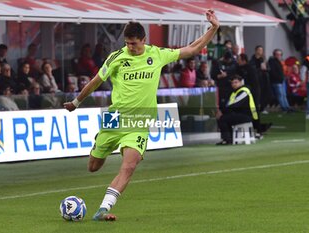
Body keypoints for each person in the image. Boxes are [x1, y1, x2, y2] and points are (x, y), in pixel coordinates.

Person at [63, 9, 219, 221]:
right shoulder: (116, 57)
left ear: (144, 40)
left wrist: (214, 28)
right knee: (93, 166)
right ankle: (99, 143)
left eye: (134, 43)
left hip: (140, 122)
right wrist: (75, 102)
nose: (130, 47)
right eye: (127, 43)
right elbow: (96, 81)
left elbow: (192, 48)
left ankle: (103, 210)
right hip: (115, 118)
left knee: (129, 166)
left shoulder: (157, 54)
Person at [216, 75, 259, 145]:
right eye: (232, 83)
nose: (234, 84)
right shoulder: (234, 92)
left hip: (247, 115)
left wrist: (222, 112)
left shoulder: (244, 91)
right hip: (240, 114)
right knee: (225, 118)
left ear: (241, 82)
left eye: (236, 82)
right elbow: (229, 105)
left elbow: (235, 104)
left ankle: (227, 139)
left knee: (223, 119)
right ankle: (229, 138)